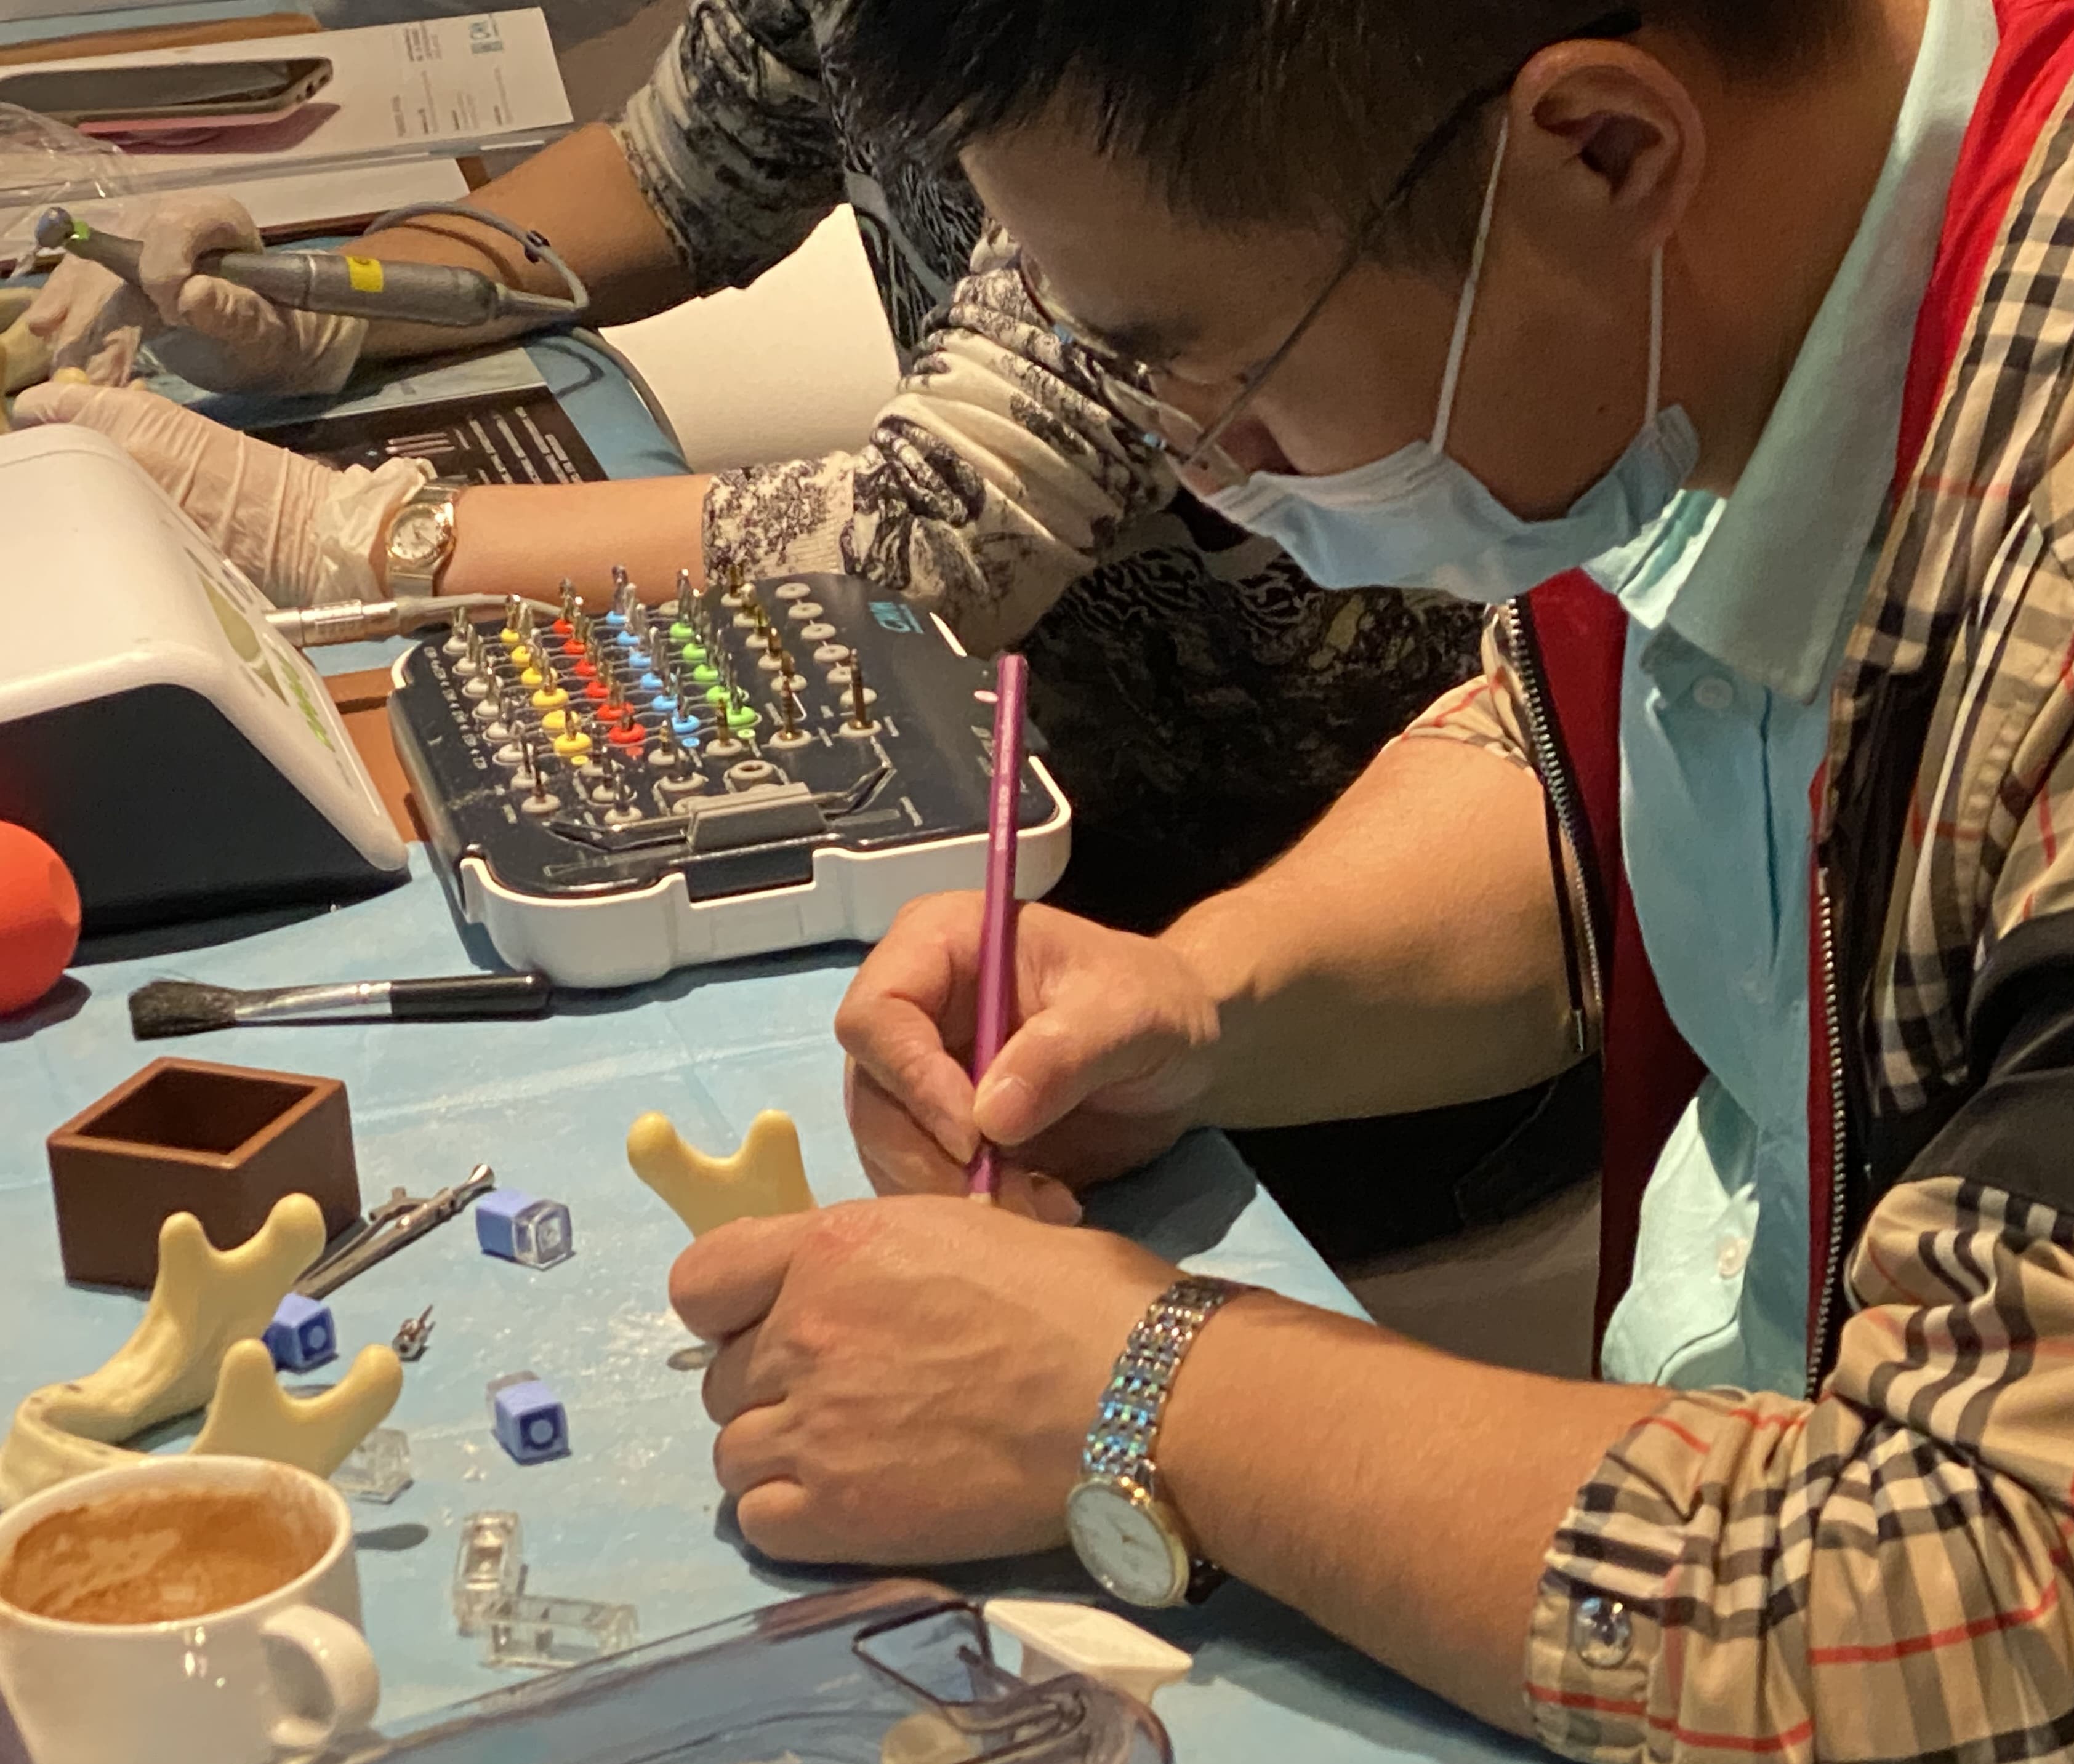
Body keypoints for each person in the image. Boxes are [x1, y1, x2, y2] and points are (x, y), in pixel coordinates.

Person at [643, 0, 2074, 1764]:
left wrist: (1135, 1390)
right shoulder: (1745, 270)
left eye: (1208, 369)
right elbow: (1628, 751)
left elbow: (2036, 1631)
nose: (1202, 462)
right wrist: (1205, 999)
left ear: (1603, 148)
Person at [10, 0, 1599, 1260]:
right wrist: (358, 286)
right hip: (1139, 902)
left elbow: (937, 533)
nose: (1219, 451)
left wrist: (358, 536)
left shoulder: (1171, 85)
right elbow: (675, 172)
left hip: (1376, 918)